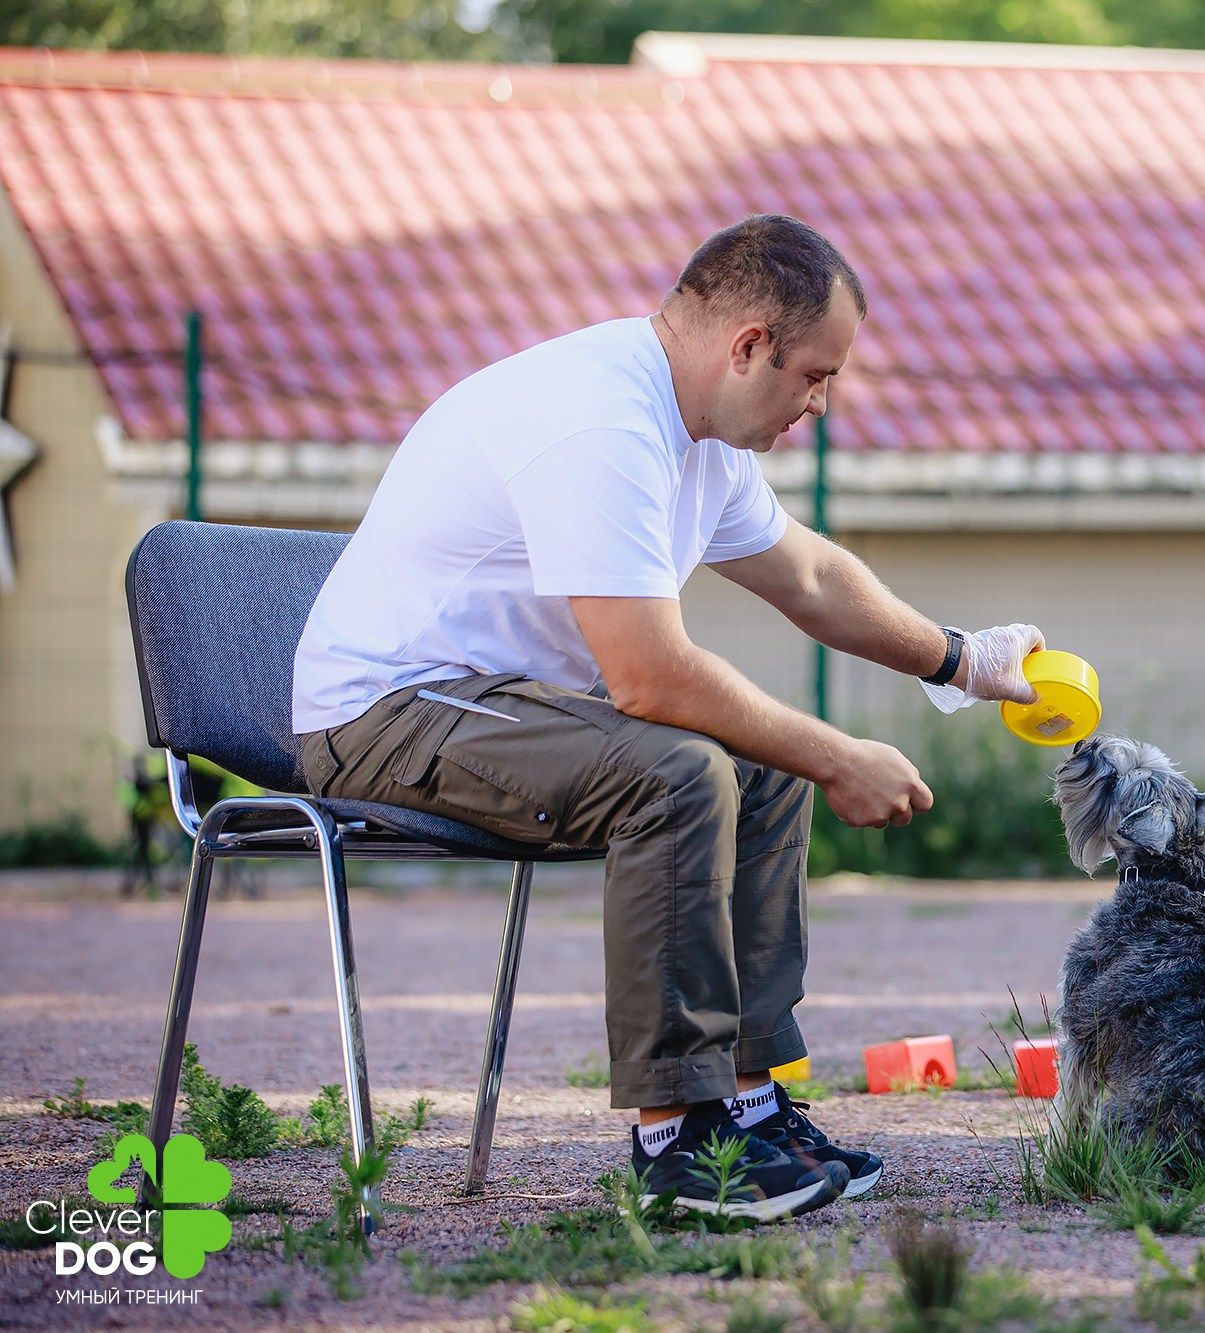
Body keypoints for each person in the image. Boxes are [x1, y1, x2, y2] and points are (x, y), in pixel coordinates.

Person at [292, 214, 1044, 1219]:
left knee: (764, 764)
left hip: (505, 710)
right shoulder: (601, 419)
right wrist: (838, 753)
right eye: (815, 375)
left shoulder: (698, 434)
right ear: (747, 347)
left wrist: (961, 658)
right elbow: (648, 677)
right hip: (384, 713)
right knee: (685, 769)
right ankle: (676, 1140)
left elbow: (813, 578)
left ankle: (746, 1103)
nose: (819, 403)